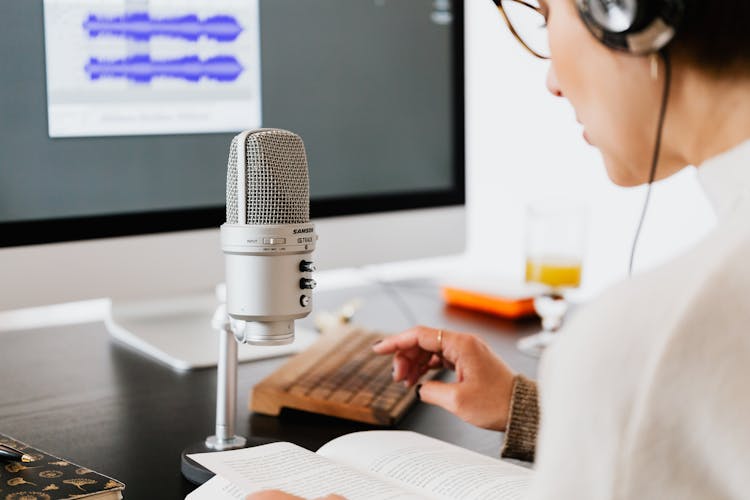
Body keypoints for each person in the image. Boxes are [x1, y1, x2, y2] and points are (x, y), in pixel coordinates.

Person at [248, 0, 750, 498]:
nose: (553, 82)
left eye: (548, 17)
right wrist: (533, 409)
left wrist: (608, 387)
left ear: (626, 13)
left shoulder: (652, 343)